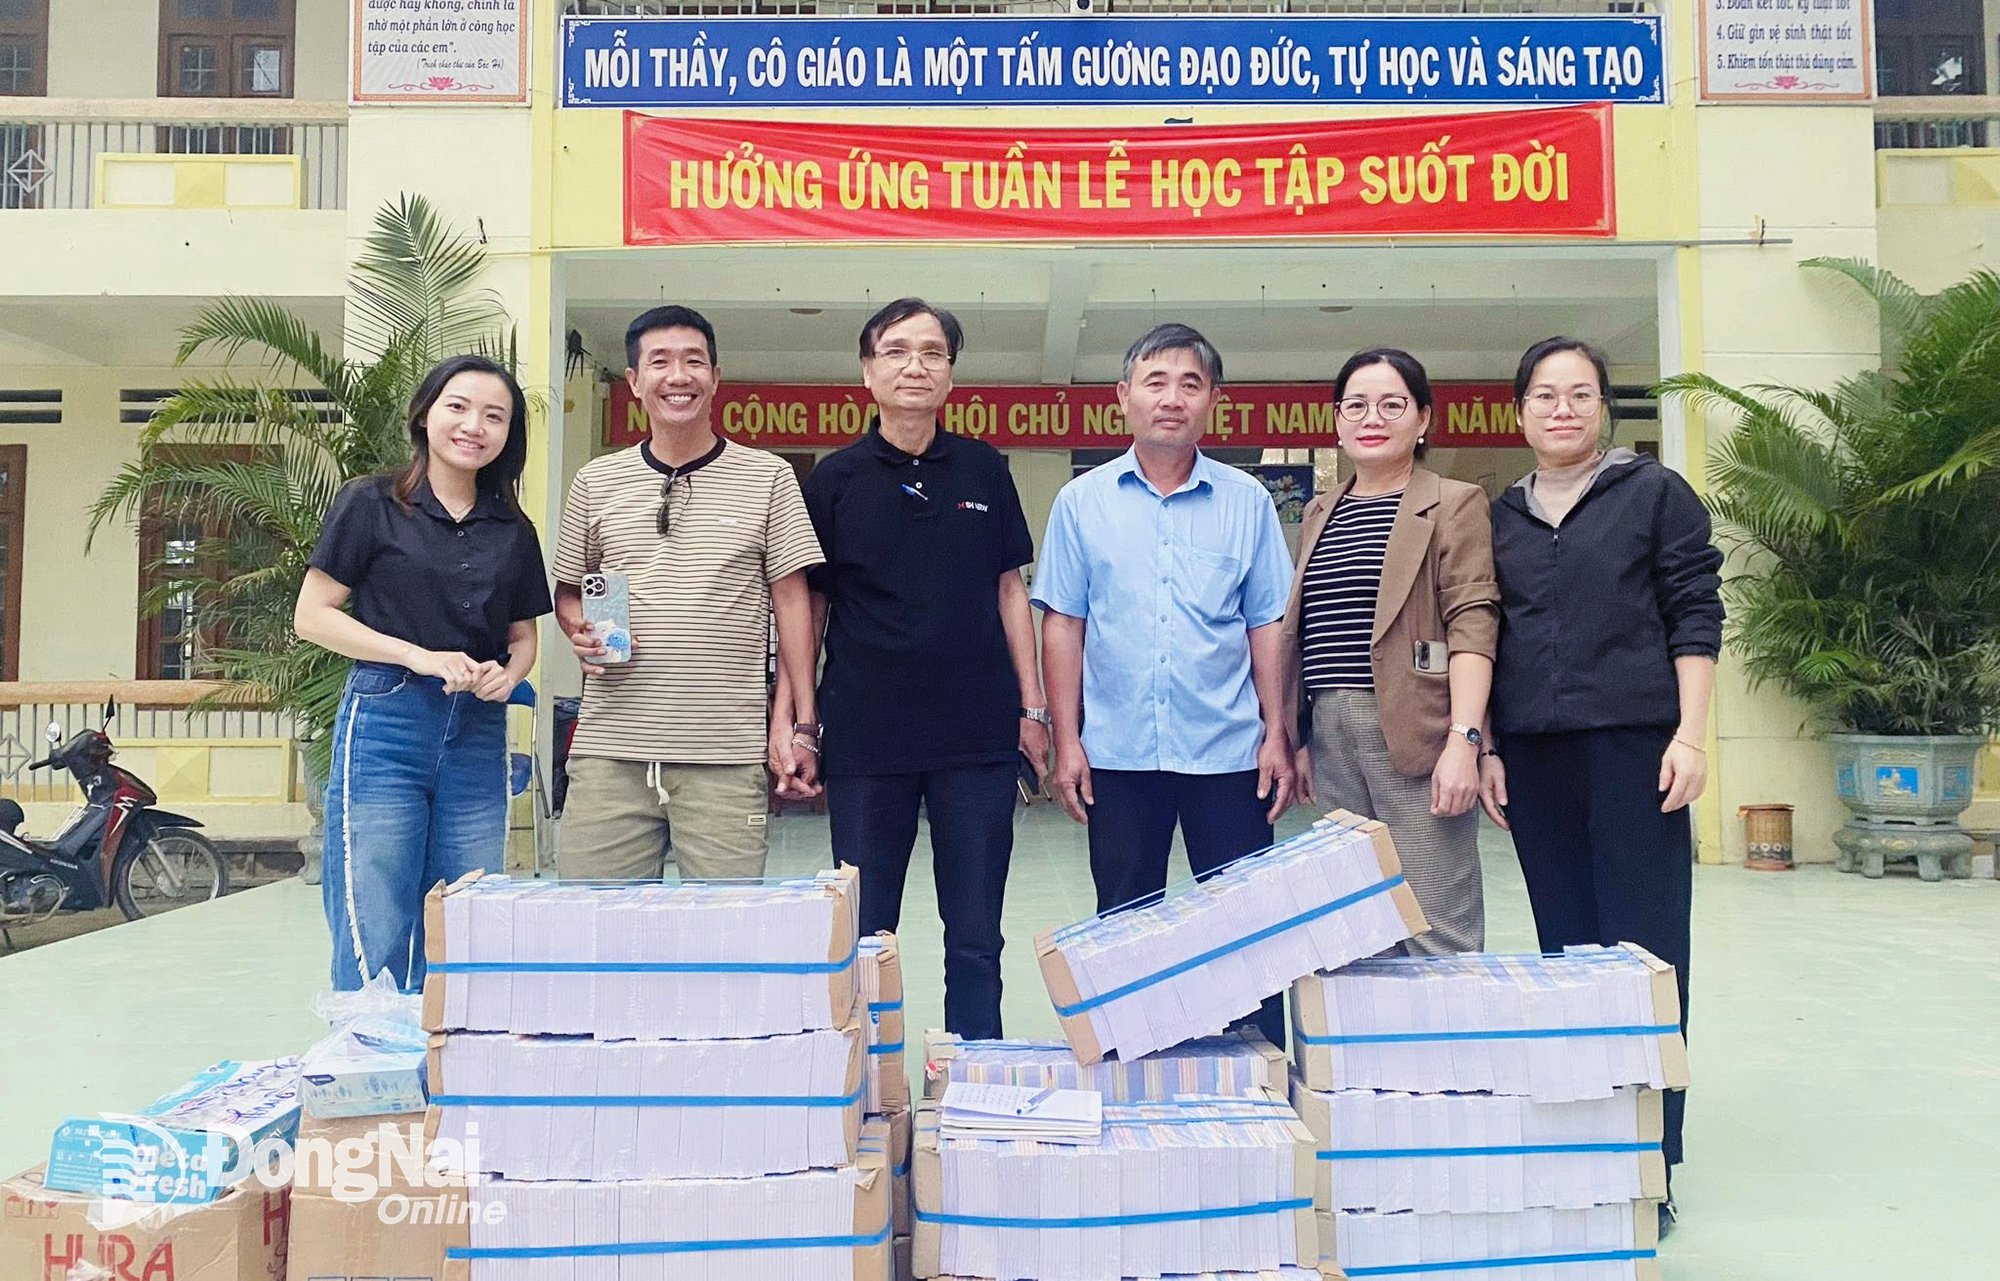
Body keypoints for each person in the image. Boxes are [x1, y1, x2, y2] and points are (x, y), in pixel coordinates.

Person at [1478, 336, 1722, 1228]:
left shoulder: (1653, 493)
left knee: (1646, 957)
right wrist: (1490, 745)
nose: (1563, 409)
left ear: (1604, 409)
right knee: (1568, 957)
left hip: (1636, 752)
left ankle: (1652, 1164)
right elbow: (1484, 634)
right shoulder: (1500, 516)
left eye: (1580, 393)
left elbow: (1695, 613)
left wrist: (1690, 734)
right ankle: (1587, 1149)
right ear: (1519, 412)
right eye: (1545, 394)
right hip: (1536, 758)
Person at [774, 298, 1045, 1039]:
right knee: (867, 934)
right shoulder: (835, 479)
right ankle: (870, 1082)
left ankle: (974, 1076)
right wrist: (796, 722)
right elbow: (811, 610)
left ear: (951, 374)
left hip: (977, 737)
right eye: (896, 351)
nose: (914, 366)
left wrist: (1033, 709)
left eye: (932, 352)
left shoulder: (984, 467)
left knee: (976, 935)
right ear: (868, 372)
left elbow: (1010, 589)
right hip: (867, 737)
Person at [1033, 322, 1297, 1048]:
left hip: (1228, 752)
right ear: (1123, 396)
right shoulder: (1081, 502)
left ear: (1214, 400)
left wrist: (1277, 733)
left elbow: (1266, 624)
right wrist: (1067, 740)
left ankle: (1259, 1072)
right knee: (1125, 925)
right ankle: (1134, 1064)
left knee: (1247, 926)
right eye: (1155, 382)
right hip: (1118, 753)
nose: (1172, 398)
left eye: (1190, 384)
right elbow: (1063, 624)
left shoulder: (1247, 501)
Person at [296, 354, 552, 991]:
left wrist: (508, 674)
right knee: (375, 902)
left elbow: (523, 639)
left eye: (494, 416)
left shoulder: (513, 529)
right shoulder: (370, 503)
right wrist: (415, 654)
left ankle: (450, 1045)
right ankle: (373, 1048)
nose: (474, 426)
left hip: (478, 730)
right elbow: (313, 616)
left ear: (509, 435)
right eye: (458, 407)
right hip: (388, 720)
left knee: (467, 905)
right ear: (424, 415)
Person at [552, 305, 823, 880]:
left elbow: (793, 606)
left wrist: (800, 725)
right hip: (610, 752)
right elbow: (569, 590)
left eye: (694, 361)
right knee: (594, 921)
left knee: (725, 926)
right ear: (634, 381)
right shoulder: (595, 481)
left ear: (715, 377)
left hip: (725, 756)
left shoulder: (769, 477)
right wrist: (580, 630)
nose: (679, 376)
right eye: (660, 362)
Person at [1279, 348, 1500, 954]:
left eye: (1391, 404)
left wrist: (1465, 740)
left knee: (1435, 922)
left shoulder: (1453, 502)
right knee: (1357, 928)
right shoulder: (1320, 511)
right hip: (1331, 733)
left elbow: (1472, 623)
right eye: (1355, 405)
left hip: (1418, 731)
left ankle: (1448, 1020)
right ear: (1337, 420)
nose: (1371, 418)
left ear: (1423, 418)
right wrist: (1301, 738)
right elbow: (1310, 631)